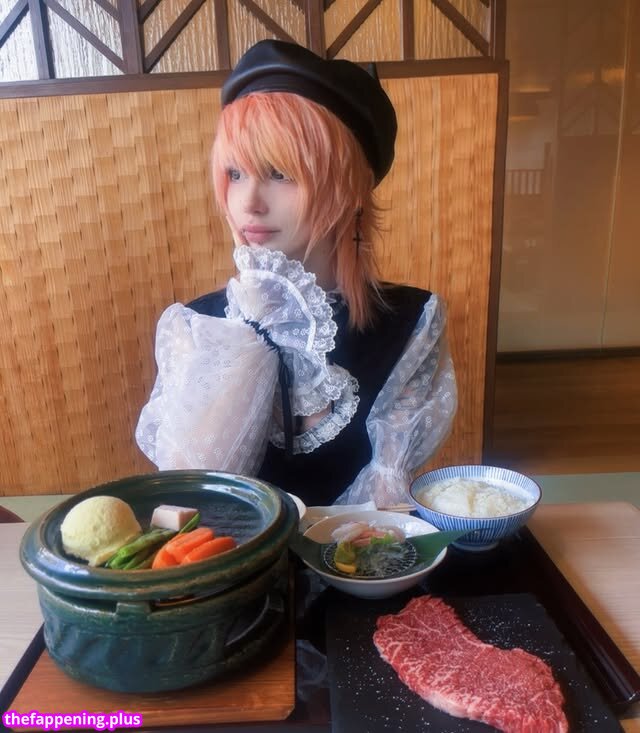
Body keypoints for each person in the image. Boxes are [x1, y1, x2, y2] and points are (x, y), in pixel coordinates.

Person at [136, 39, 457, 509]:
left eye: (279, 173)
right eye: (235, 174)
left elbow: (384, 504)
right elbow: (193, 498)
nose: (248, 203)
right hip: (230, 553)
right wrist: (250, 326)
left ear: (350, 189)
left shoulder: (411, 322)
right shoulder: (196, 326)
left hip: (356, 551)